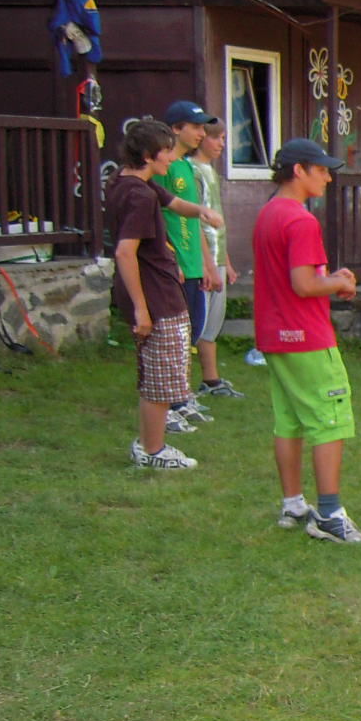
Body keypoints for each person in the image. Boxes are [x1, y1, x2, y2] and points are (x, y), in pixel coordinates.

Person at [252, 138, 361, 542]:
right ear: (298, 171)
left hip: (275, 333)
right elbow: (304, 284)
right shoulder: (301, 220)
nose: (328, 177)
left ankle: (293, 504)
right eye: (321, 170)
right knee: (329, 420)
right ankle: (330, 515)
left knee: (289, 421)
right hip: (305, 335)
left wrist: (330, 279)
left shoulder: (269, 212)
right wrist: (338, 282)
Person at [109, 117, 219, 469]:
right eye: (167, 152)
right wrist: (142, 309)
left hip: (155, 293)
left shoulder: (127, 181)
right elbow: (125, 252)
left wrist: (202, 211)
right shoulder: (140, 196)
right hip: (156, 297)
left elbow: (174, 204)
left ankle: (147, 445)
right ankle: (154, 451)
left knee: (155, 375)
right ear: (147, 155)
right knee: (162, 378)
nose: (172, 158)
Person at [151, 101, 217, 429]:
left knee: (191, 332)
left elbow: (194, 221)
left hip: (193, 266)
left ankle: (182, 394)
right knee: (173, 337)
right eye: (196, 127)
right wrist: (169, 257)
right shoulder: (163, 169)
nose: (202, 134)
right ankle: (171, 400)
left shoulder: (187, 168)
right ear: (176, 129)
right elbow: (156, 217)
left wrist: (207, 264)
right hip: (174, 265)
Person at [191, 116, 243, 400]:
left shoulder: (211, 172)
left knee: (212, 324)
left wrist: (227, 262)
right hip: (202, 260)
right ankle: (180, 387)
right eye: (216, 137)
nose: (222, 144)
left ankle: (211, 380)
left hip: (217, 257)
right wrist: (208, 264)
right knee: (196, 323)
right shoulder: (192, 171)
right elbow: (195, 221)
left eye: (224, 138)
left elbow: (218, 223)